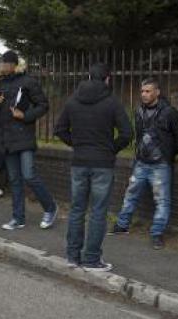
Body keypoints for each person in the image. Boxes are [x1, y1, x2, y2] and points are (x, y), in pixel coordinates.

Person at [55, 63, 133, 272]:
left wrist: (76, 144)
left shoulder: (72, 101)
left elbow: (59, 129)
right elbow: (127, 133)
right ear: (107, 79)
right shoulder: (112, 103)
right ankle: (91, 259)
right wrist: (110, 149)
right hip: (102, 164)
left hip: (79, 162)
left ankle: (72, 256)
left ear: (89, 77)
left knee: (77, 209)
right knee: (98, 212)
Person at [109, 78, 178, 250]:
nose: (144, 94)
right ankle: (122, 225)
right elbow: (139, 134)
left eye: (148, 91)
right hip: (141, 162)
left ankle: (157, 233)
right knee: (131, 194)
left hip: (160, 164)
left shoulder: (170, 113)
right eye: (142, 91)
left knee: (162, 200)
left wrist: (168, 154)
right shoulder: (139, 111)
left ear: (157, 92)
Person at [0, 51, 58, 231]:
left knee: (29, 175)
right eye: (1, 63)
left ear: (14, 64)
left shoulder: (28, 82)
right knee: (15, 180)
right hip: (6, 138)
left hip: (24, 135)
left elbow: (43, 105)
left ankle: (50, 208)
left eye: (5, 63)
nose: (2, 66)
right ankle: (18, 218)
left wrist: (25, 115)